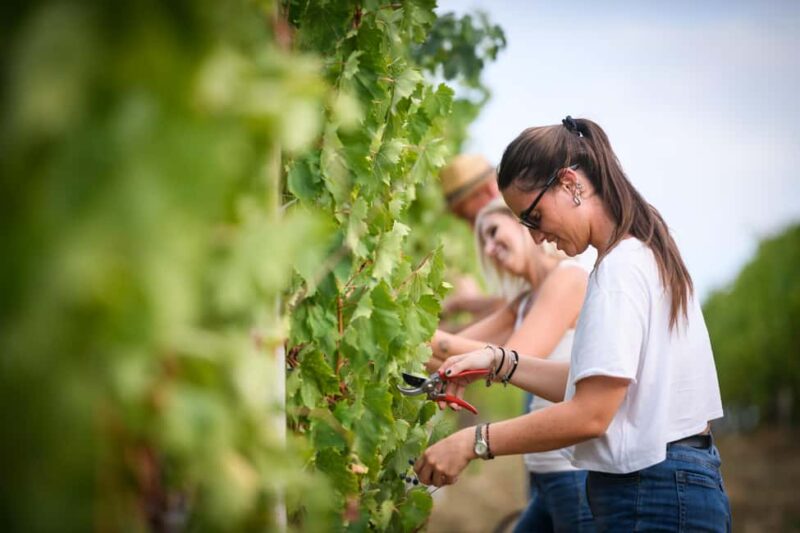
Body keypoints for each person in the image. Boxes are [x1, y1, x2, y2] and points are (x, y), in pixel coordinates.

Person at [415, 116, 731, 532]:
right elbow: (593, 385)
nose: (535, 236)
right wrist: (497, 361)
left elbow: (590, 415)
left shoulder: (619, 270)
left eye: (533, 216)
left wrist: (474, 442)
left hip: (655, 495)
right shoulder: (634, 255)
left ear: (569, 184)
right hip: (662, 487)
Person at [427, 197, 594, 532]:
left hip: (573, 473)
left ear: (521, 223)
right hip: (545, 473)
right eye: (483, 242)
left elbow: (514, 358)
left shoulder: (569, 278)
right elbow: (457, 351)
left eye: (493, 232)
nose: (489, 248)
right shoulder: (525, 300)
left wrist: (419, 336)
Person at [438, 154, 505, 323]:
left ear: (490, 191)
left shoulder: (531, 242)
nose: (470, 228)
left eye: (471, 218)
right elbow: (510, 306)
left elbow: (509, 315)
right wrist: (460, 304)